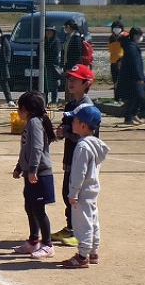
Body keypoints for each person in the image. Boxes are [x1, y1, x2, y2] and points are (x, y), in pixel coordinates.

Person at [52, 64, 98, 247]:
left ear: (86, 83)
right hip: (71, 157)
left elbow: (87, 135)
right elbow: (66, 128)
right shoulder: (71, 105)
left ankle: (81, 233)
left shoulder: (88, 108)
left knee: (79, 196)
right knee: (67, 193)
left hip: (83, 159)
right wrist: (60, 132)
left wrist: (67, 132)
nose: (70, 82)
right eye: (69, 79)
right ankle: (71, 227)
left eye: (75, 80)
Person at [60, 105, 109, 268]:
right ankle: (93, 252)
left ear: (83, 125)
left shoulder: (82, 146)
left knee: (82, 223)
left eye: (74, 120)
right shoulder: (95, 143)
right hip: (92, 188)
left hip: (82, 191)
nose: (71, 123)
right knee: (92, 219)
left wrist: (73, 193)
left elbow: (78, 173)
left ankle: (82, 256)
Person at [12, 91, 57, 260]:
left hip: (40, 174)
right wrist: (19, 167)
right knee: (29, 207)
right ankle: (33, 241)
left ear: (26, 109)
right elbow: (26, 149)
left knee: (38, 209)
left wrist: (33, 169)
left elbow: (37, 147)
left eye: (19, 108)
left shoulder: (35, 123)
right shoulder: (30, 123)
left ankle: (47, 245)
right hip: (30, 173)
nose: (18, 111)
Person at [116, 27, 145, 125]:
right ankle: (129, 116)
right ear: (135, 35)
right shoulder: (131, 47)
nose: (140, 37)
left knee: (136, 97)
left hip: (131, 76)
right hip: (133, 77)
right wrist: (139, 77)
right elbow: (135, 63)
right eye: (139, 35)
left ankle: (131, 115)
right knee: (138, 96)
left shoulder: (130, 45)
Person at [61, 19, 84, 102]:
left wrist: (71, 67)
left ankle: (73, 102)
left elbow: (76, 53)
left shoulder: (76, 37)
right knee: (68, 86)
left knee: (72, 86)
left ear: (68, 27)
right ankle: (69, 102)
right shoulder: (69, 36)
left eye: (65, 27)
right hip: (68, 65)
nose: (65, 29)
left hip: (73, 66)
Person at [108, 20, 126, 101]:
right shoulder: (111, 38)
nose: (116, 29)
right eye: (115, 27)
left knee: (121, 81)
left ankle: (122, 97)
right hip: (113, 62)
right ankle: (117, 98)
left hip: (121, 61)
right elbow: (110, 49)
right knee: (115, 81)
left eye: (118, 27)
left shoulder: (124, 37)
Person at [43, 25, 61, 106]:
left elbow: (54, 54)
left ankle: (54, 101)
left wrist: (46, 58)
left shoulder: (56, 41)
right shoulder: (43, 41)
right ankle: (45, 101)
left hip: (53, 66)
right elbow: (39, 51)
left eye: (50, 31)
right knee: (44, 85)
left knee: (54, 85)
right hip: (44, 66)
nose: (48, 32)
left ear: (54, 32)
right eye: (47, 30)